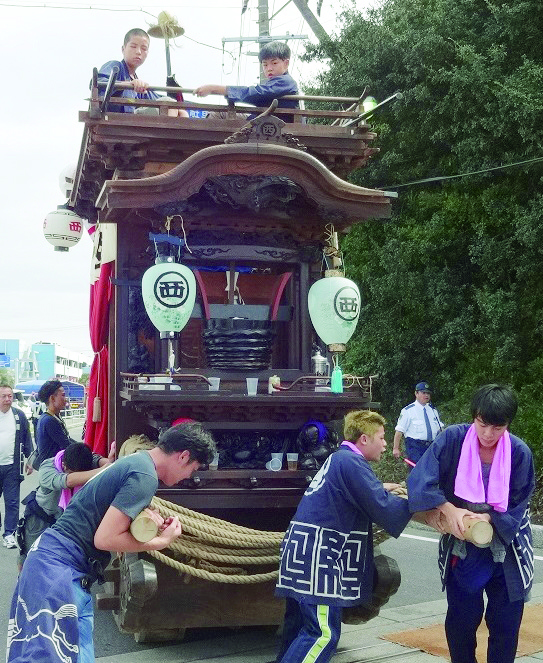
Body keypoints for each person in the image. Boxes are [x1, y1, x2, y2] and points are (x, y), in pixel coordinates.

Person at [6, 421, 216, 663]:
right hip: (57, 572)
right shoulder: (145, 476)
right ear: (184, 456)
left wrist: (147, 523)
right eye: (194, 469)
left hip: (54, 565)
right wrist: (159, 542)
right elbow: (105, 538)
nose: (189, 477)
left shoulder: (136, 462)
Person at [274, 410, 416, 663]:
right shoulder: (352, 463)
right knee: (322, 633)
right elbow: (382, 507)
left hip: (303, 549)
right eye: (381, 438)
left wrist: (380, 487)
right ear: (364, 439)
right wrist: (419, 500)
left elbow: (360, 490)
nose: (385, 444)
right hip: (318, 556)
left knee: (298, 629)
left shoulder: (340, 458)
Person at [407, 384, 535, 663]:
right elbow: (421, 479)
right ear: (474, 416)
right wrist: (447, 507)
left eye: (498, 428)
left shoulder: (518, 452)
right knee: (461, 621)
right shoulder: (453, 438)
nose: (488, 434)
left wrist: (489, 517)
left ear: (508, 424)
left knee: (506, 624)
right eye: (482, 424)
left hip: (507, 545)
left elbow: (520, 500)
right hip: (463, 542)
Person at [17, 442, 114, 567]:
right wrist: (103, 470)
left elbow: (98, 460)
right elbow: (68, 480)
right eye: (71, 472)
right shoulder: (47, 467)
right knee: (31, 556)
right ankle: (22, 582)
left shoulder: (82, 458)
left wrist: (110, 463)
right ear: (64, 465)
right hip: (40, 519)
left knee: (56, 562)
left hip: (64, 521)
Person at [194, 40, 299, 122]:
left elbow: (256, 93)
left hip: (271, 124)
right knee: (219, 113)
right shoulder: (280, 82)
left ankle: (210, 147)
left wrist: (214, 88)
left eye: (274, 63)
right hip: (264, 120)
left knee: (218, 114)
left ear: (286, 63)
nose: (269, 68)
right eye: (265, 64)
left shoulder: (286, 82)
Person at [98, 28, 189, 117]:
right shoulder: (116, 66)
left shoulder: (138, 83)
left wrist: (179, 108)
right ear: (123, 49)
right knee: (169, 104)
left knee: (176, 108)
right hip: (122, 118)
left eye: (144, 48)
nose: (138, 52)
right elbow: (98, 82)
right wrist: (128, 84)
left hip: (135, 120)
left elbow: (155, 97)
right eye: (133, 46)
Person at [0, 384, 33, 549]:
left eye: (10, 396)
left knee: (12, 502)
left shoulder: (19, 416)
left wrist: (30, 460)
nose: (7, 399)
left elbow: (27, 438)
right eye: (4, 396)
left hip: (12, 466)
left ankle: (9, 534)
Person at [393, 381, 444, 465]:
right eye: (423, 393)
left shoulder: (433, 410)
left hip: (431, 446)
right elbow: (399, 430)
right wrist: (396, 448)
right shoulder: (408, 411)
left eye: (428, 393)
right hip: (415, 447)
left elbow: (440, 429)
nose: (426, 395)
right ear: (416, 393)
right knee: (417, 473)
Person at [34, 380, 78, 468]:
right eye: (63, 395)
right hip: (51, 469)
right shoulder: (49, 420)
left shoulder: (51, 417)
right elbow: (66, 444)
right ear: (52, 399)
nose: (65, 399)